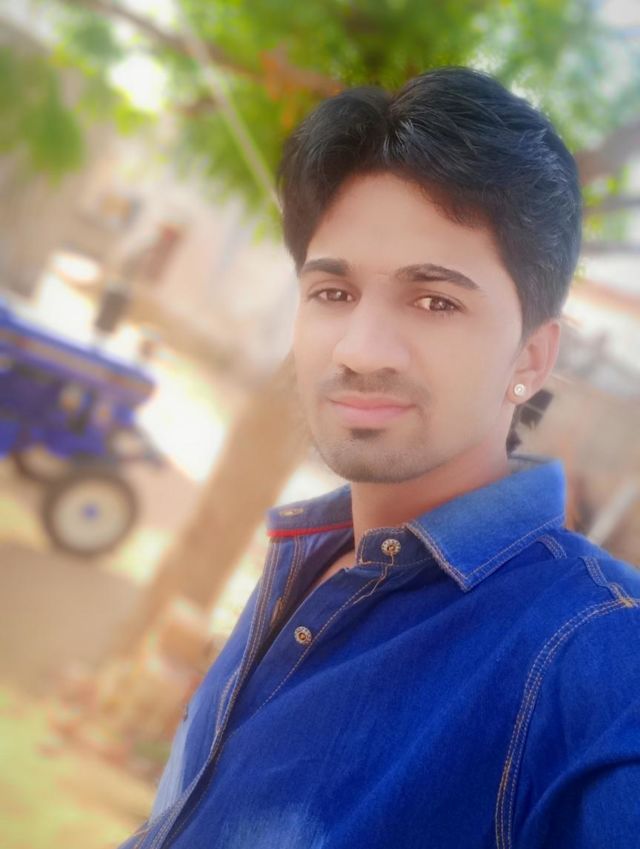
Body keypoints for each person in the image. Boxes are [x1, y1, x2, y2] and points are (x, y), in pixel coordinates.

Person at [119, 67, 640, 849]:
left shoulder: (600, 655)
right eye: (333, 292)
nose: (361, 350)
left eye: (436, 301)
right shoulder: (312, 559)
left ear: (532, 357)